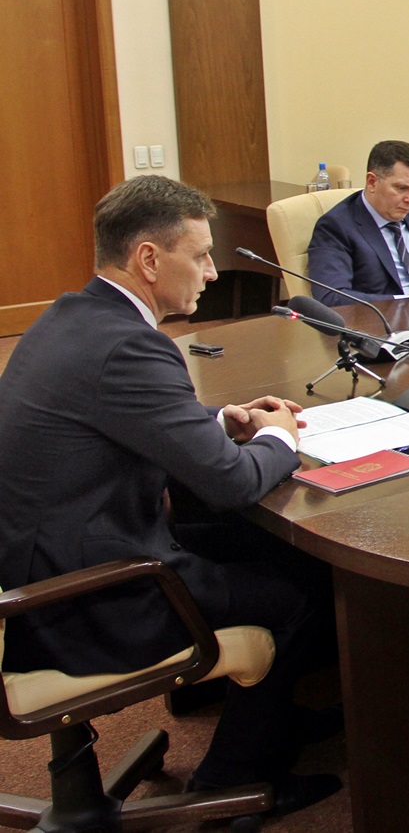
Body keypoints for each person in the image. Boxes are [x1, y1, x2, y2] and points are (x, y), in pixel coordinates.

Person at [0, 176, 341, 816]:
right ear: (150, 259)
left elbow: (115, 416)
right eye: (202, 255)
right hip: (81, 599)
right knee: (299, 588)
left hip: (37, 563)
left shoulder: (70, 318)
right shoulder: (131, 346)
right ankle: (233, 778)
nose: (212, 273)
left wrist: (220, 422)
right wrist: (282, 438)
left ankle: (275, 720)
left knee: (268, 549)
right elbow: (232, 482)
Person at [308, 140, 409, 305]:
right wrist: (407, 300)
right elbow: (331, 297)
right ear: (372, 182)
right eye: (401, 188)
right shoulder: (336, 226)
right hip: (385, 317)